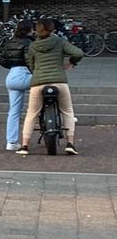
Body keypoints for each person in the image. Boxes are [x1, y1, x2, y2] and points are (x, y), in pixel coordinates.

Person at [17, 19, 83, 156]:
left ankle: (24, 145)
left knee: (32, 113)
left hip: (38, 83)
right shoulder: (59, 42)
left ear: (37, 30)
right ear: (53, 29)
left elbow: (31, 64)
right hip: (59, 81)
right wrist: (71, 63)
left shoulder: (33, 46)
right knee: (68, 111)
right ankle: (70, 143)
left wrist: (37, 72)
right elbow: (78, 53)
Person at [0, 20, 34, 151]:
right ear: (29, 30)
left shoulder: (10, 42)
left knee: (14, 111)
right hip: (25, 73)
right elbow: (29, 60)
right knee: (47, 84)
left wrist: (12, 66)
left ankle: (11, 142)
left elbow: (2, 60)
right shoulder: (29, 43)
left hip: (12, 75)